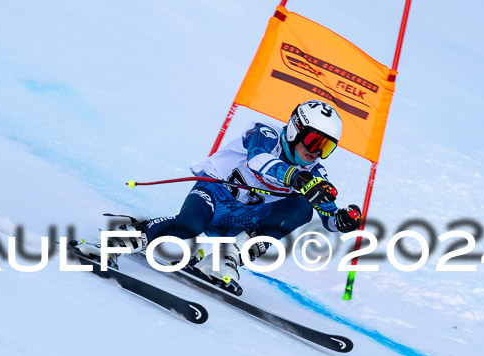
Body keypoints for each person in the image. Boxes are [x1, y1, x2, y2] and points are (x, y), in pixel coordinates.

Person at [77, 99, 362, 288]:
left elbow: (329, 218)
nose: (315, 151)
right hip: (215, 194)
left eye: (326, 147)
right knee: (189, 225)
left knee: (303, 207)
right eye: (313, 140)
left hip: (247, 218)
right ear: (294, 130)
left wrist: (342, 219)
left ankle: (226, 257)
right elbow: (257, 160)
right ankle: (118, 241)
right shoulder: (267, 134)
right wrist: (294, 177)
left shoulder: (314, 172)